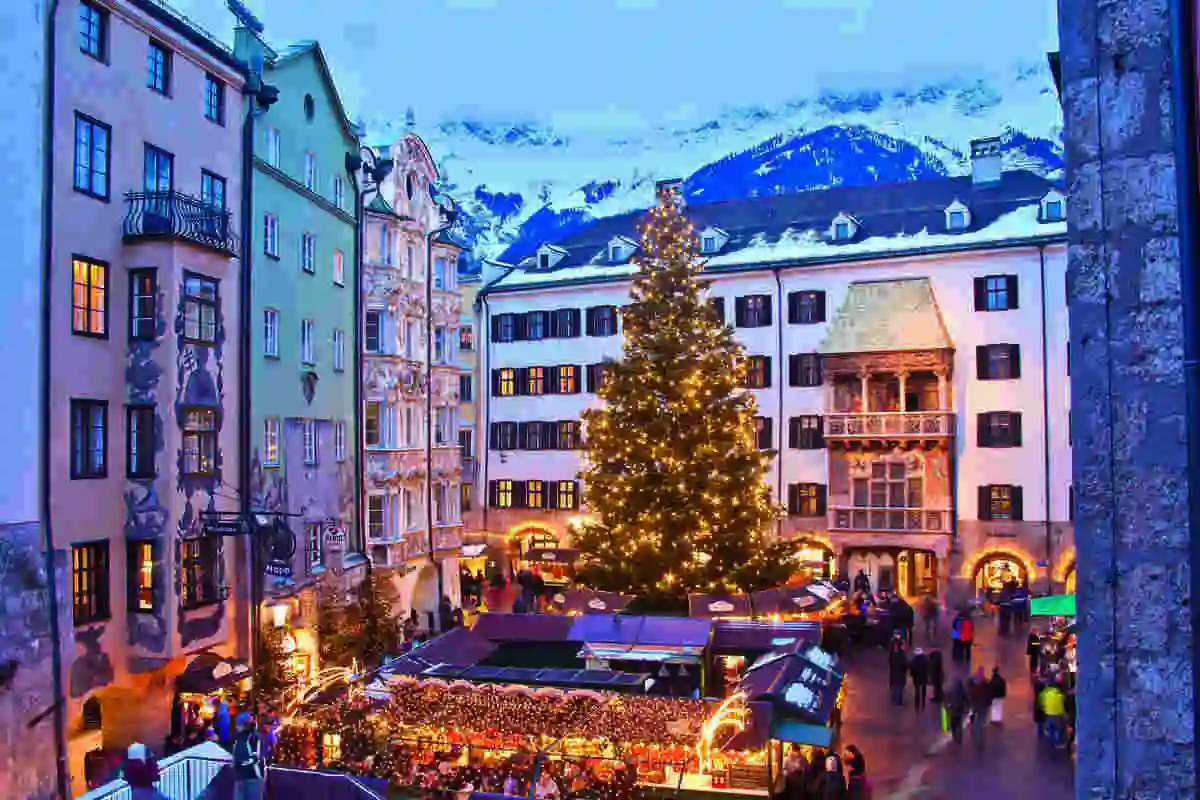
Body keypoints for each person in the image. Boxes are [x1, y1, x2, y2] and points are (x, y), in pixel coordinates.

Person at [231, 713, 263, 800]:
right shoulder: (238, 738)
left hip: (252, 777)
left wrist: (241, 763)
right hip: (241, 777)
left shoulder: (253, 737)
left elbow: (256, 758)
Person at [967, 668, 992, 747]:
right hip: (984, 705)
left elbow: (971, 696)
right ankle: (979, 734)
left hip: (976, 705)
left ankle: (976, 733)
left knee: (977, 720)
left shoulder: (973, 686)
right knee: (981, 720)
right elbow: (989, 695)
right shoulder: (985, 685)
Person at [1040, 679, 1067, 748]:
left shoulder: (1046, 694)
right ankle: (1057, 743)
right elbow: (1062, 704)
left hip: (1048, 713)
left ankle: (1051, 740)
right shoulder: (1059, 695)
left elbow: (1042, 702)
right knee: (1058, 728)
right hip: (1058, 713)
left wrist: (1045, 709)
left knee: (1051, 727)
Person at [945, 679, 968, 744]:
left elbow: (947, 699)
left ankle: (954, 736)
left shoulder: (951, 691)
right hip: (960, 710)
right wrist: (967, 708)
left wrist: (947, 707)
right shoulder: (962, 691)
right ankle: (959, 738)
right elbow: (966, 700)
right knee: (959, 723)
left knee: (953, 723)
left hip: (953, 710)